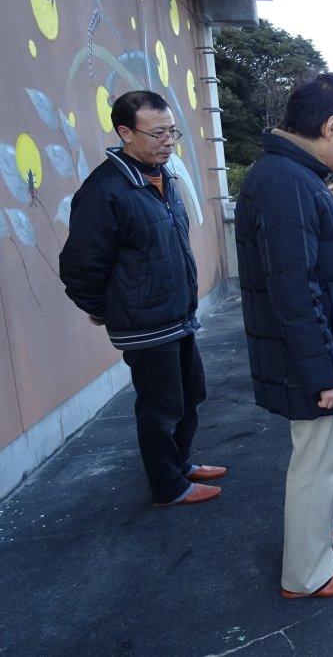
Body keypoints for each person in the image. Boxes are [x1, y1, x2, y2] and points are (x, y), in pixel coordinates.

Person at [234, 73, 333, 599]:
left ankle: (315, 541)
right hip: (310, 361)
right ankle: (307, 572)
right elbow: (293, 289)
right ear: (332, 124)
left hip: (315, 354)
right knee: (315, 465)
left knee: (323, 459)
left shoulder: (290, 176)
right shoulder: (286, 183)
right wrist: (323, 372)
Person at [59, 91, 223, 508]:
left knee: (190, 394)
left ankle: (181, 465)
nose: (169, 141)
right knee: (160, 406)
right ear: (125, 133)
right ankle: (168, 487)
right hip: (146, 324)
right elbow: (80, 266)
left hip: (177, 315)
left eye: (172, 131)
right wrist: (102, 309)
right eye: (158, 132)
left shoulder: (162, 178)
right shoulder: (105, 191)